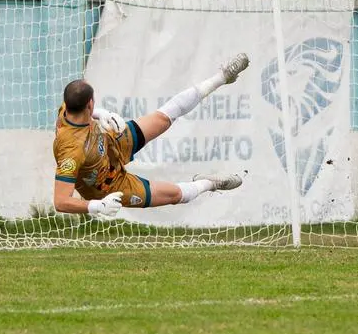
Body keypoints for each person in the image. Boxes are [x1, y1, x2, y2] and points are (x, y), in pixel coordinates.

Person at [53, 53, 250, 218]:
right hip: (107, 184)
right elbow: (60, 202)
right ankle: (209, 183)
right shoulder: (71, 151)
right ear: (89, 103)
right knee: (174, 195)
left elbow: (84, 110)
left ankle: (223, 77)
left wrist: (102, 113)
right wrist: (95, 206)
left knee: (163, 118)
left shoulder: (68, 108)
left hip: (112, 143)